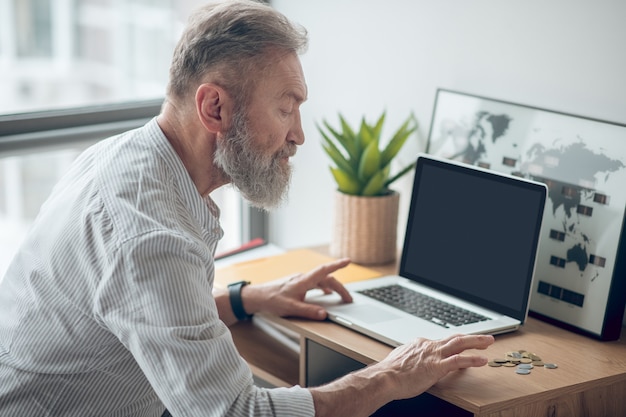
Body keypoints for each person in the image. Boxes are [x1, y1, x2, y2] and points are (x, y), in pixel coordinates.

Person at [0, 1, 494, 416]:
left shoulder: (124, 158)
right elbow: (237, 413)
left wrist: (247, 299)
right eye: (286, 107)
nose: (297, 134)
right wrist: (389, 376)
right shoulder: (150, 234)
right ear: (214, 108)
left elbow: (143, 316)